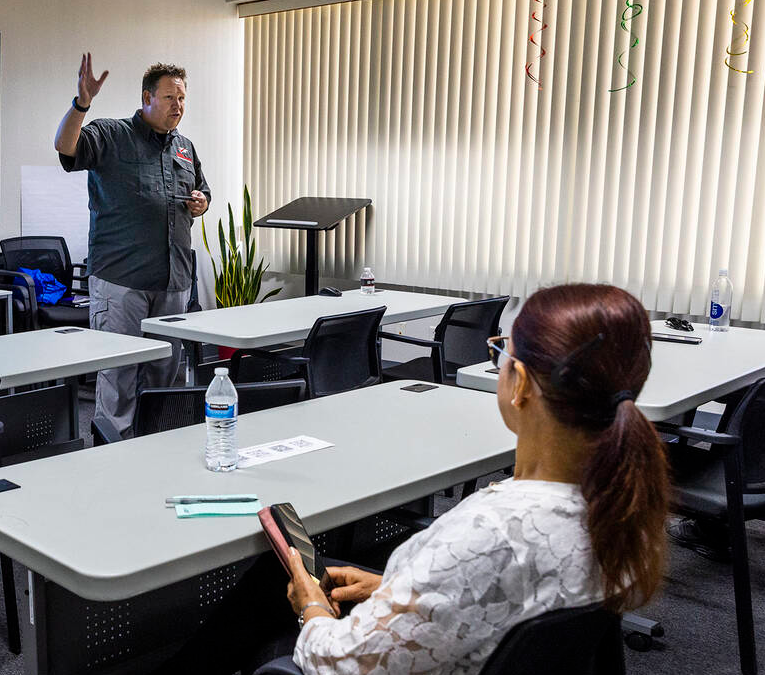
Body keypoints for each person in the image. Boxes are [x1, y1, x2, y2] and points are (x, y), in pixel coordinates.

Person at [156, 284, 671, 675]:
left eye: (502, 354)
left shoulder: (486, 533)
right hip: (478, 640)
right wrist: (396, 588)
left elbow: (335, 664)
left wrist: (313, 610)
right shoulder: (624, 500)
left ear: (521, 388)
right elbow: (509, 596)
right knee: (279, 571)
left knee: (294, 585)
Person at [55, 54, 211, 437]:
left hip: (173, 280)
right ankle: (112, 458)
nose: (179, 105)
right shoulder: (111, 135)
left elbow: (202, 192)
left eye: (182, 98)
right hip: (121, 281)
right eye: (170, 97)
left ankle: (152, 451)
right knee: (120, 374)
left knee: (163, 375)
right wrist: (82, 104)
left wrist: (201, 203)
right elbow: (65, 145)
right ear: (147, 98)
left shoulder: (184, 147)